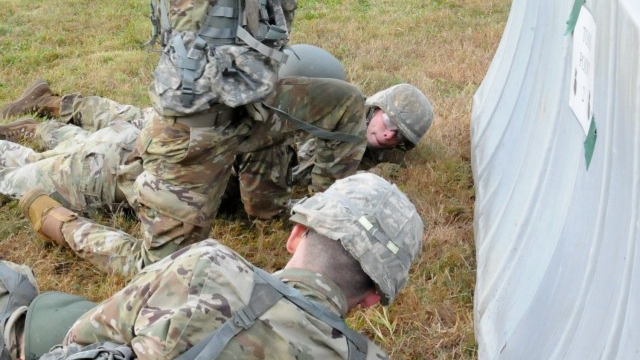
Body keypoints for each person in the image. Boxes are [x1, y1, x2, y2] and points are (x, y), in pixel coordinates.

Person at [12, 0, 446, 277]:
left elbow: (271, 35)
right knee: (162, 271)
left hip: (245, 105)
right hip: (195, 129)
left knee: (343, 106)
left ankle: (320, 222)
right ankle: (55, 218)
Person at [0, 174, 424, 360]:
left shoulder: (208, 264)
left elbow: (84, 337)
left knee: (19, 290)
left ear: (296, 234)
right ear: (371, 301)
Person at [0, 61, 434, 219]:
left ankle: (37, 127)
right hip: (209, 146)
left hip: (212, 158)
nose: (387, 133)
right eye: (387, 121)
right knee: (122, 121)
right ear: (376, 107)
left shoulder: (359, 163)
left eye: (398, 136)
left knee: (114, 131)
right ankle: (51, 107)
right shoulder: (329, 115)